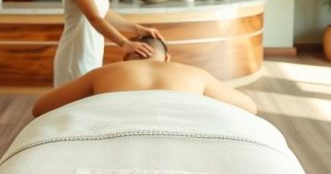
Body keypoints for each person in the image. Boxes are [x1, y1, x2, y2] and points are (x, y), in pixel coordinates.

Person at [35, 36, 258, 117]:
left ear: (125, 58)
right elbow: (250, 107)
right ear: (167, 59)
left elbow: (41, 108)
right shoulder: (195, 75)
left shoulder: (104, 73)